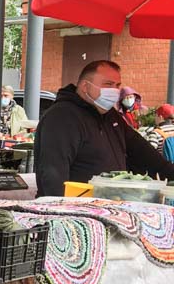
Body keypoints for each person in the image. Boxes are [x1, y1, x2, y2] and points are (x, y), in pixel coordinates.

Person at [34, 60, 174, 197]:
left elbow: (143, 153)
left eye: (117, 85)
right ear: (85, 87)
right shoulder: (61, 117)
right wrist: (60, 209)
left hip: (112, 204)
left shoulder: (112, 116)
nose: (114, 90)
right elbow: (52, 172)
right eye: (108, 84)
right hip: (77, 209)